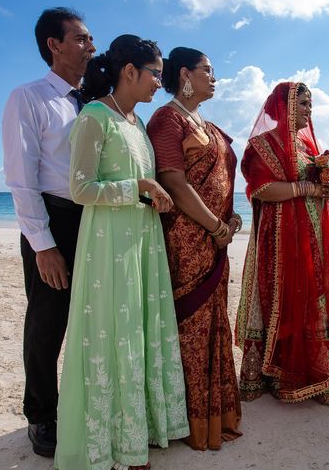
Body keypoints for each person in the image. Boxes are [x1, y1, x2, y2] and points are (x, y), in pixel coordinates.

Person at [54, 35, 189, 470]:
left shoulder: (135, 123)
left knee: (140, 328)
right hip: (109, 244)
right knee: (117, 330)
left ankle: (137, 433)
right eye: (156, 73)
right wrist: (137, 188)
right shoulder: (96, 117)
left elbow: (139, 183)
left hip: (141, 240)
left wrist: (152, 194)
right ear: (128, 71)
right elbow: (79, 188)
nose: (160, 82)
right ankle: (109, 444)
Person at [2, 7, 95, 458]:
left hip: (95, 222)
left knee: (93, 319)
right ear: (53, 45)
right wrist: (44, 246)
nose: (90, 47)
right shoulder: (29, 97)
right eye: (80, 39)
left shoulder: (95, 101)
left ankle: (86, 405)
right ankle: (41, 416)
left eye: (90, 39)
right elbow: (22, 179)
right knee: (46, 324)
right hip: (54, 221)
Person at [236, 81, 329, 405]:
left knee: (311, 297)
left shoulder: (307, 147)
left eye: (310, 104)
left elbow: (313, 185)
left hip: (310, 237)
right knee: (283, 297)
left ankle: (315, 375)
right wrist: (306, 190)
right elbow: (262, 189)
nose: (309, 110)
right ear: (285, 106)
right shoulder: (262, 146)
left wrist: (327, 191)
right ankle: (276, 374)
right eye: (303, 103)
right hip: (277, 241)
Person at [146, 47, 242, 451]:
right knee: (190, 326)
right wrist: (215, 225)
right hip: (186, 241)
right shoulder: (167, 118)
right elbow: (173, 180)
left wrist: (232, 216)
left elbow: (221, 176)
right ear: (184, 73)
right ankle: (185, 418)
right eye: (208, 70)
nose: (214, 77)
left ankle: (215, 409)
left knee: (214, 320)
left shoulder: (206, 122)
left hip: (213, 239)